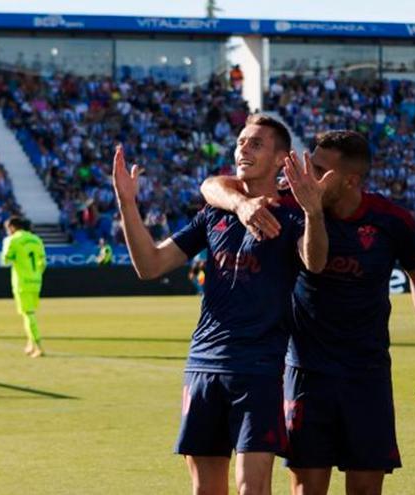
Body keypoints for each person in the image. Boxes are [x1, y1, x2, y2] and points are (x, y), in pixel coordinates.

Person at [200, 130, 415, 495]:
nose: (305, 174)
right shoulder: (289, 203)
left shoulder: (391, 221)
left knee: (365, 489)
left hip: (368, 375)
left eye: (318, 169)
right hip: (306, 374)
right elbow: (212, 185)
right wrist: (240, 204)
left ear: (350, 180)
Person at [114, 114, 331, 495]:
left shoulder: (294, 215)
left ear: (282, 158)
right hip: (203, 365)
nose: (243, 148)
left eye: (256, 143)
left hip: (259, 369)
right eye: (241, 141)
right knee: (206, 490)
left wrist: (314, 213)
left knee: (253, 488)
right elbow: (150, 265)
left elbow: (315, 262)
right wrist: (127, 204)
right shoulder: (215, 212)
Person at [0, 216, 46, 358]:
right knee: (31, 313)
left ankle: (39, 347)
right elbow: (43, 262)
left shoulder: (11, 240)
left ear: (12, 227)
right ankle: (30, 345)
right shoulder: (36, 239)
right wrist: (36, 275)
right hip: (36, 281)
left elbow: (5, 260)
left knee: (28, 315)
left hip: (21, 282)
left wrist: (17, 259)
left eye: (8, 229)